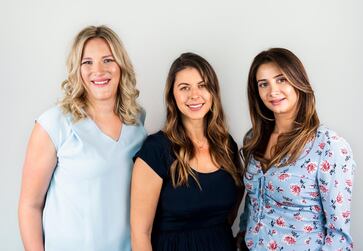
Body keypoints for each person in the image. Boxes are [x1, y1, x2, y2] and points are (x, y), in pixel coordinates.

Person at [18, 25, 146, 251]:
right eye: (87, 62)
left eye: (108, 60)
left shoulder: (137, 122)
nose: (99, 70)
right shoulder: (54, 123)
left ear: (121, 65)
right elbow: (30, 205)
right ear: (77, 69)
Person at [237, 48, 355, 250]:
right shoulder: (254, 138)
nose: (272, 91)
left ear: (298, 81)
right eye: (263, 84)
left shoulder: (329, 146)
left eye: (281, 79)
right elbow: (253, 201)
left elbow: (339, 236)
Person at [130, 52, 244, 251]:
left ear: (213, 92)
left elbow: (231, 210)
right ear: (172, 95)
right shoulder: (156, 150)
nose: (194, 95)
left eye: (202, 85)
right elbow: (140, 234)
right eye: (184, 88)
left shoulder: (227, 146)